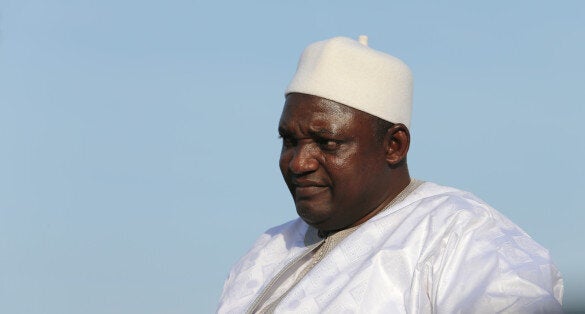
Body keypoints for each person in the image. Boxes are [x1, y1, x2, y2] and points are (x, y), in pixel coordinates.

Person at [218, 36, 563, 313]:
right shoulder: (266, 252)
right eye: (290, 141)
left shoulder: (461, 236)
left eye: (327, 142)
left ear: (394, 145)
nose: (299, 163)